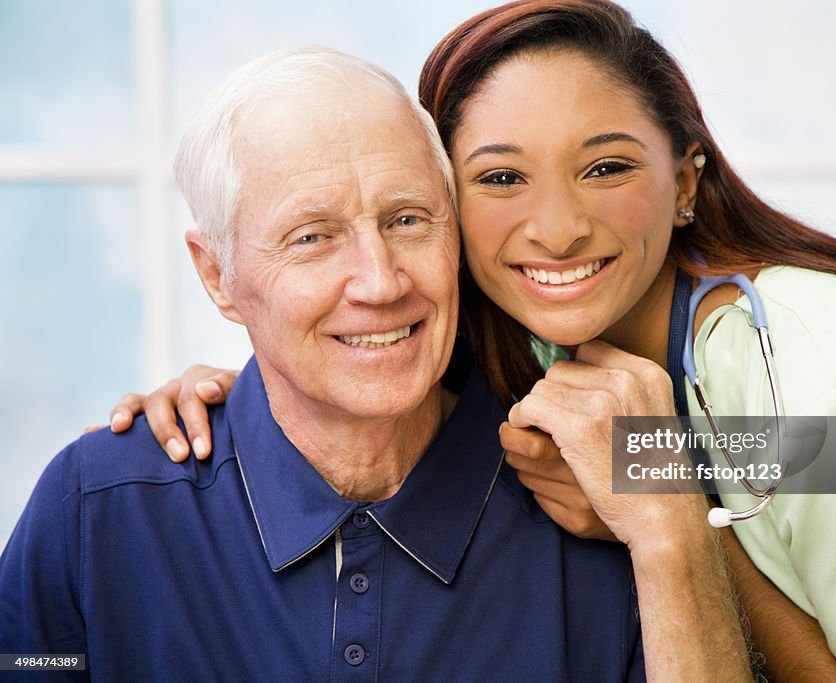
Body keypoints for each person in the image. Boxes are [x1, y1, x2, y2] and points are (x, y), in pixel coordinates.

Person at [106, 0, 836, 680]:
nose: (556, 227)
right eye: (501, 176)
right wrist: (248, 395)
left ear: (688, 180)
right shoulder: (548, 347)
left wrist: (660, 502)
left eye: (607, 167)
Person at [0, 44, 691, 681]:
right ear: (218, 275)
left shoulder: (628, 457)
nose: (381, 281)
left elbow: (788, 460)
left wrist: (673, 514)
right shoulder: (94, 507)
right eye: (312, 237)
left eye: (407, 219)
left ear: (687, 181)